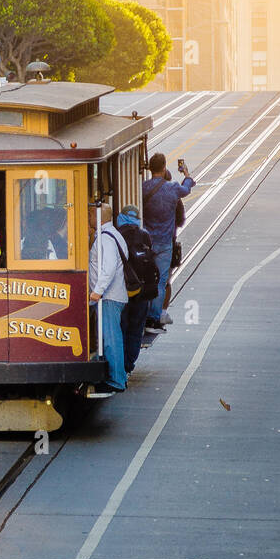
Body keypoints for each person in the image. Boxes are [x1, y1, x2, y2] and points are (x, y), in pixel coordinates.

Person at [142, 152, 195, 332]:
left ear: (150, 168)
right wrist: (186, 174)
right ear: (164, 168)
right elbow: (186, 189)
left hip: (147, 242)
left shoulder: (143, 188)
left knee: (147, 278)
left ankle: (145, 313)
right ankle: (154, 318)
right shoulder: (172, 189)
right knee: (161, 281)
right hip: (165, 243)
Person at [88, 202, 129, 394]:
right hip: (112, 296)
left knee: (111, 339)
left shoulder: (106, 238)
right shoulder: (113, 234)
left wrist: (98, 291)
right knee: (111, 337)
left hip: (109, 297)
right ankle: (117, 377)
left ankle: (116, 380)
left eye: (90, 214)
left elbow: (109, 267)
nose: (88, 218)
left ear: (99, 216)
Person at [116, 205, 158, 372]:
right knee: (135, 330)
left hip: (122, 289)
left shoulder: (117, 235)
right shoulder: (144, 235)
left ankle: (120, 363)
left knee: (121, 328)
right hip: (142, 291)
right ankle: (129, 366)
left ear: (121, 218)